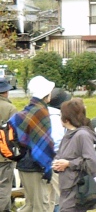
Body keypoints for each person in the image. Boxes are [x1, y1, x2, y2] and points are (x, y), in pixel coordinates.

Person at [12, 75, 56, 212]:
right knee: (41, 206)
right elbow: (45, 143)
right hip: (36, 165)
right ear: (45, 94)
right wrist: (47, 165)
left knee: (29, 205)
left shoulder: (24, 112)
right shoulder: (41, 112)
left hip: (22, 163)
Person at [52, 99, 96, 212]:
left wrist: (69, 164)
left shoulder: (82, 135)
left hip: (77, 190)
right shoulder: (68, 134)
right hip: (66, 188)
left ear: (67, 118)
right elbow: (62, 155)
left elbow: (91, 164)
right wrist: (57, 163)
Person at [48, 88, 71, 209]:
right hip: (57, 160)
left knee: (49, 198)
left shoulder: (43, 114)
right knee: (65, 195)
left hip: (44, 161)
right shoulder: (56, 118)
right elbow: (57, 141)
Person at [0, 78, 16, 212]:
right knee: (4, 186)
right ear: (5, 92)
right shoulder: (10, 108)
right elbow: (16, 133)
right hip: (5, 154)